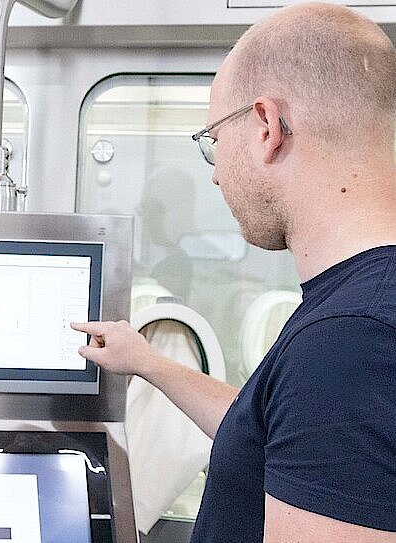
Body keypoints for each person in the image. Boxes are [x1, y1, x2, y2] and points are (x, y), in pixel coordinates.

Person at [72, 3, 396, 542]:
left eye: (214, 142)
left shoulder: (352, 340)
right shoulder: (355, 311)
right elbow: (271, 437)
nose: (218, 176)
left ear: (268, 126)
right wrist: (146, 361)